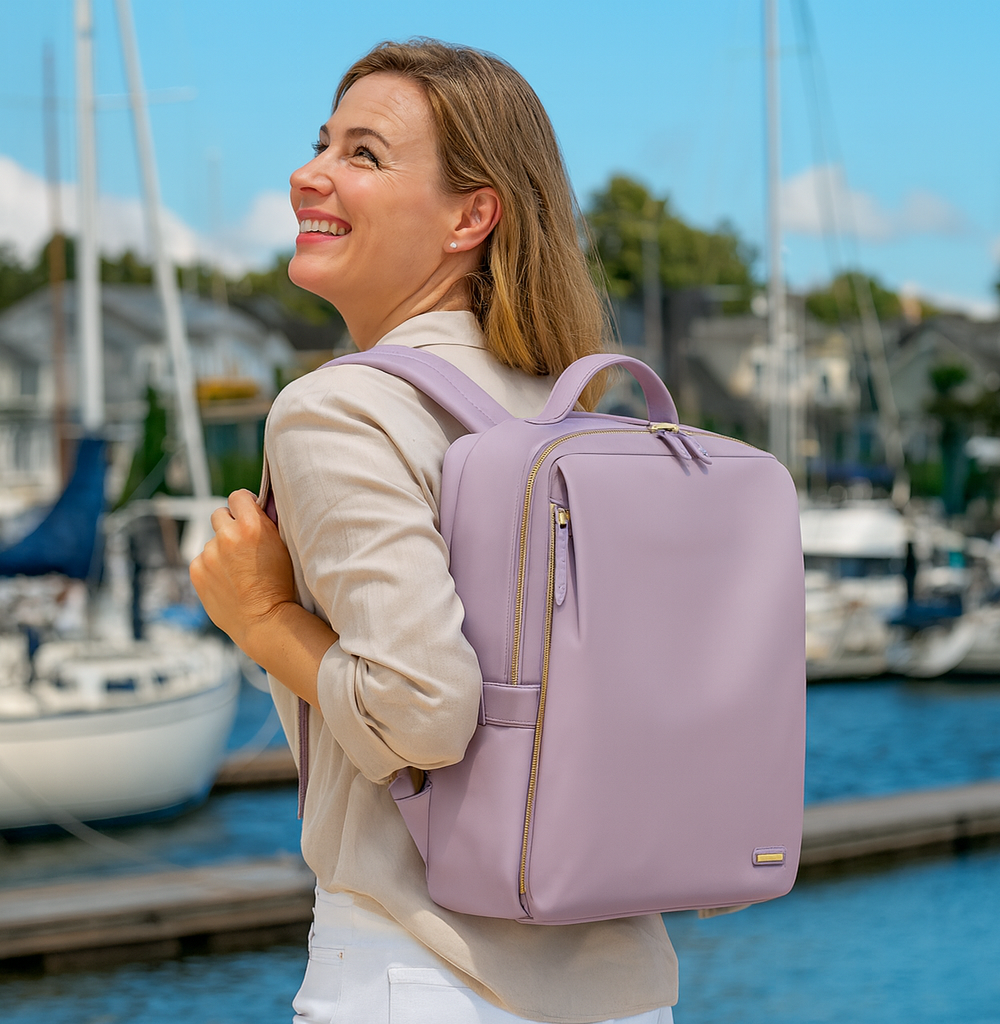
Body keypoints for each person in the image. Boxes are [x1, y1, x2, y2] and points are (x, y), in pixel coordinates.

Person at [190, 39, 678, 1024]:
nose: (308, 173)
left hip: (421, 973)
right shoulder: (583, 411)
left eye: (363, 154)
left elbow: (423, 707)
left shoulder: (339, 410)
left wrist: (262, 616)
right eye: (320, 142)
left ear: (472, 215)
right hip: (625, 985)